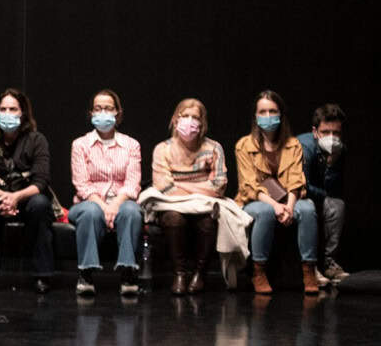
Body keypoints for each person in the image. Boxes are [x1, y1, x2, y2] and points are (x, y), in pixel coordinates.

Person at [235, 91, 319, 295]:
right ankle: (258, 270)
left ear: (280, 114)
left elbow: (296, 181)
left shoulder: (293, 145)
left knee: (307, 208)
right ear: (255, 116)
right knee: (264, 211)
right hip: (257, 199)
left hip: (287, 198)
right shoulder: (244, 145)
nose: (268, 115)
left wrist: (289, 207)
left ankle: (309, 270)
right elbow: (249, 185)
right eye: (262, 111)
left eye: (272, 111)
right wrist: (275, 206)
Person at [0, 89, 54, 294]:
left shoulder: (37, 140)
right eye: (3, 109)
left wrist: (16, 197)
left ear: (23, 113)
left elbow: (41, 181)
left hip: (27, 197)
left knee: (41, 204)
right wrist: (7, 198)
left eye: (13, 109)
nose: (7, 113)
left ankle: (42, 275)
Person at [149, 98, 230, 295]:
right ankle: (180, 273)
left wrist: (182, 186)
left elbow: (219, 185)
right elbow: (165, 187)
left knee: (208, 222)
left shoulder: (213, 148)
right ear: (176, 120)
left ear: (202, 123)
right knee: (173, 218)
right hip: (172, 205)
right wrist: (199, 187)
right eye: (185, 116)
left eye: (195, 117)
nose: (190, 121)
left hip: (204, 206)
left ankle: (199, 274)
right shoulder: (163, 149)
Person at [67, 90, 143, 297]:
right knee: (91, 211)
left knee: (131, 211)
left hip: (122, 200)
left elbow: (132, 183)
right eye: (98, 108)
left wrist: (115, 205)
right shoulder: (80, 144)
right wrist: (104, 207)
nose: (103, 112)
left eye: (108, 108)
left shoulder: (131, 145)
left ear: (118, 113)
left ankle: (129, 272)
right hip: (88, 202)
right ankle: (86, 273)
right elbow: (82, 185)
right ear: (91, 113)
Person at [298, 103, 348, 284]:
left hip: (320, 195)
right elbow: (301, 185)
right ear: (315, 132)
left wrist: (331, 163)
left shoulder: (340, 150)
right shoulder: (304, 148)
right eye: (326, 132)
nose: (332, 137)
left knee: (338, 205)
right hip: (298, 196)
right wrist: (323, 195)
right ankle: (310, 267)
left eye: (337, 133)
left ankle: (329, 263)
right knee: (309, 206)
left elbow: (336, 189)